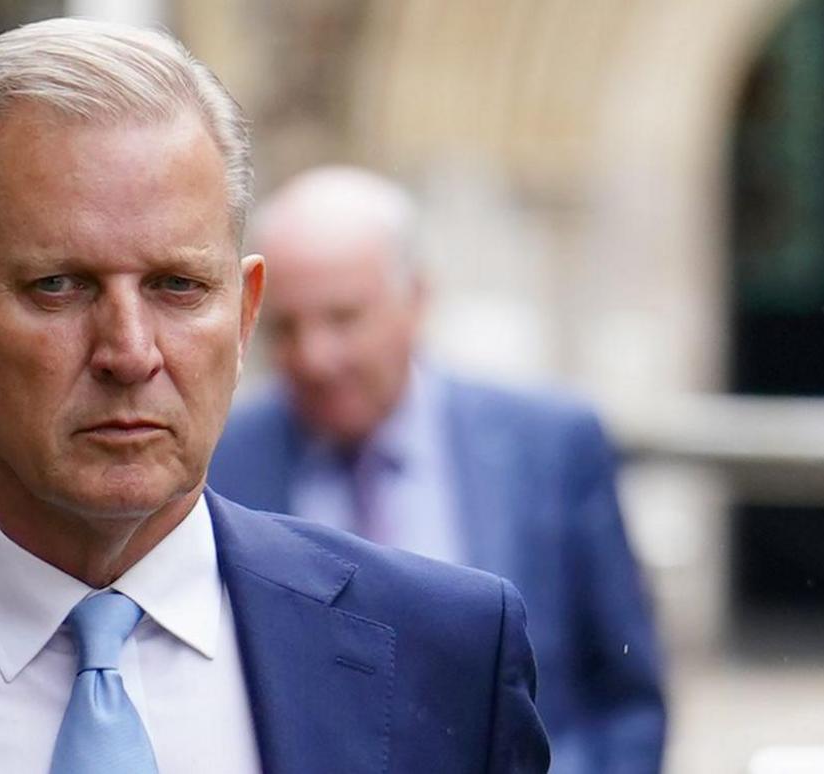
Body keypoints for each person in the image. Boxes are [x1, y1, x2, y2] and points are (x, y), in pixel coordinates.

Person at [0, 19, 549, 773]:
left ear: (245, 314)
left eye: (178, 287)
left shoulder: (450, 661)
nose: (128, 351)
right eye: (60, 287)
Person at [208, 166, 666, 773]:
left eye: (343, 318)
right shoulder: (221, 458)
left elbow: (626, 694)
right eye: (287, 328)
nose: (316, 357)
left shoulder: (549, 446)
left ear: (417, 299)